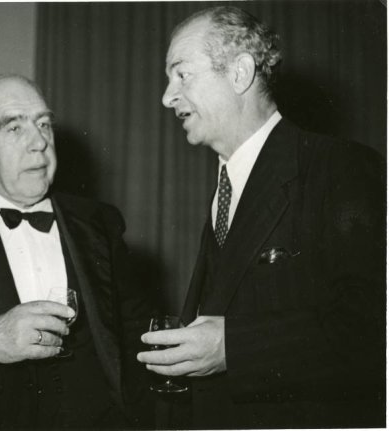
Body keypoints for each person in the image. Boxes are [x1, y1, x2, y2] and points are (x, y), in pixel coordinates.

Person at [137, 6, 385, 429]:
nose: (167, 96)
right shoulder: (225, 186)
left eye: (181, 74)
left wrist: (234, 349)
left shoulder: (340, 168)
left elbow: (372, 329)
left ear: (240, 73)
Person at [0, 74, 155, 429]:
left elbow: (137, 335)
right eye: (14, 128)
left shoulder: (100, 223)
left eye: (44, 124)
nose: (39, 143)